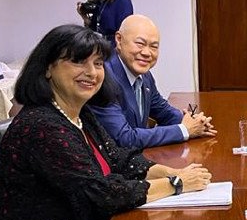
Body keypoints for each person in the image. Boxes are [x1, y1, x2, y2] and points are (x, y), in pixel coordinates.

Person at [0, 25, 212, 220]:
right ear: (48, 68)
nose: (92, 72)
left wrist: (169, 170)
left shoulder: (79, 113)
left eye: (98, 63)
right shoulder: (42, 126)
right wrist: (176, 183)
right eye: (78, 61)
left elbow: (120, 159)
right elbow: (103, 194)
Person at [90, 15, 216, 149]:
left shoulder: (145, 76)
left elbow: (163, 111)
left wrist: (195, 122)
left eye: (154, 47)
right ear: (119, 39)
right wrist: (184, 130)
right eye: (140, 44)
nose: (146, 53)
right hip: (113, 166)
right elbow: (125, 138)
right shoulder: (103, 77)